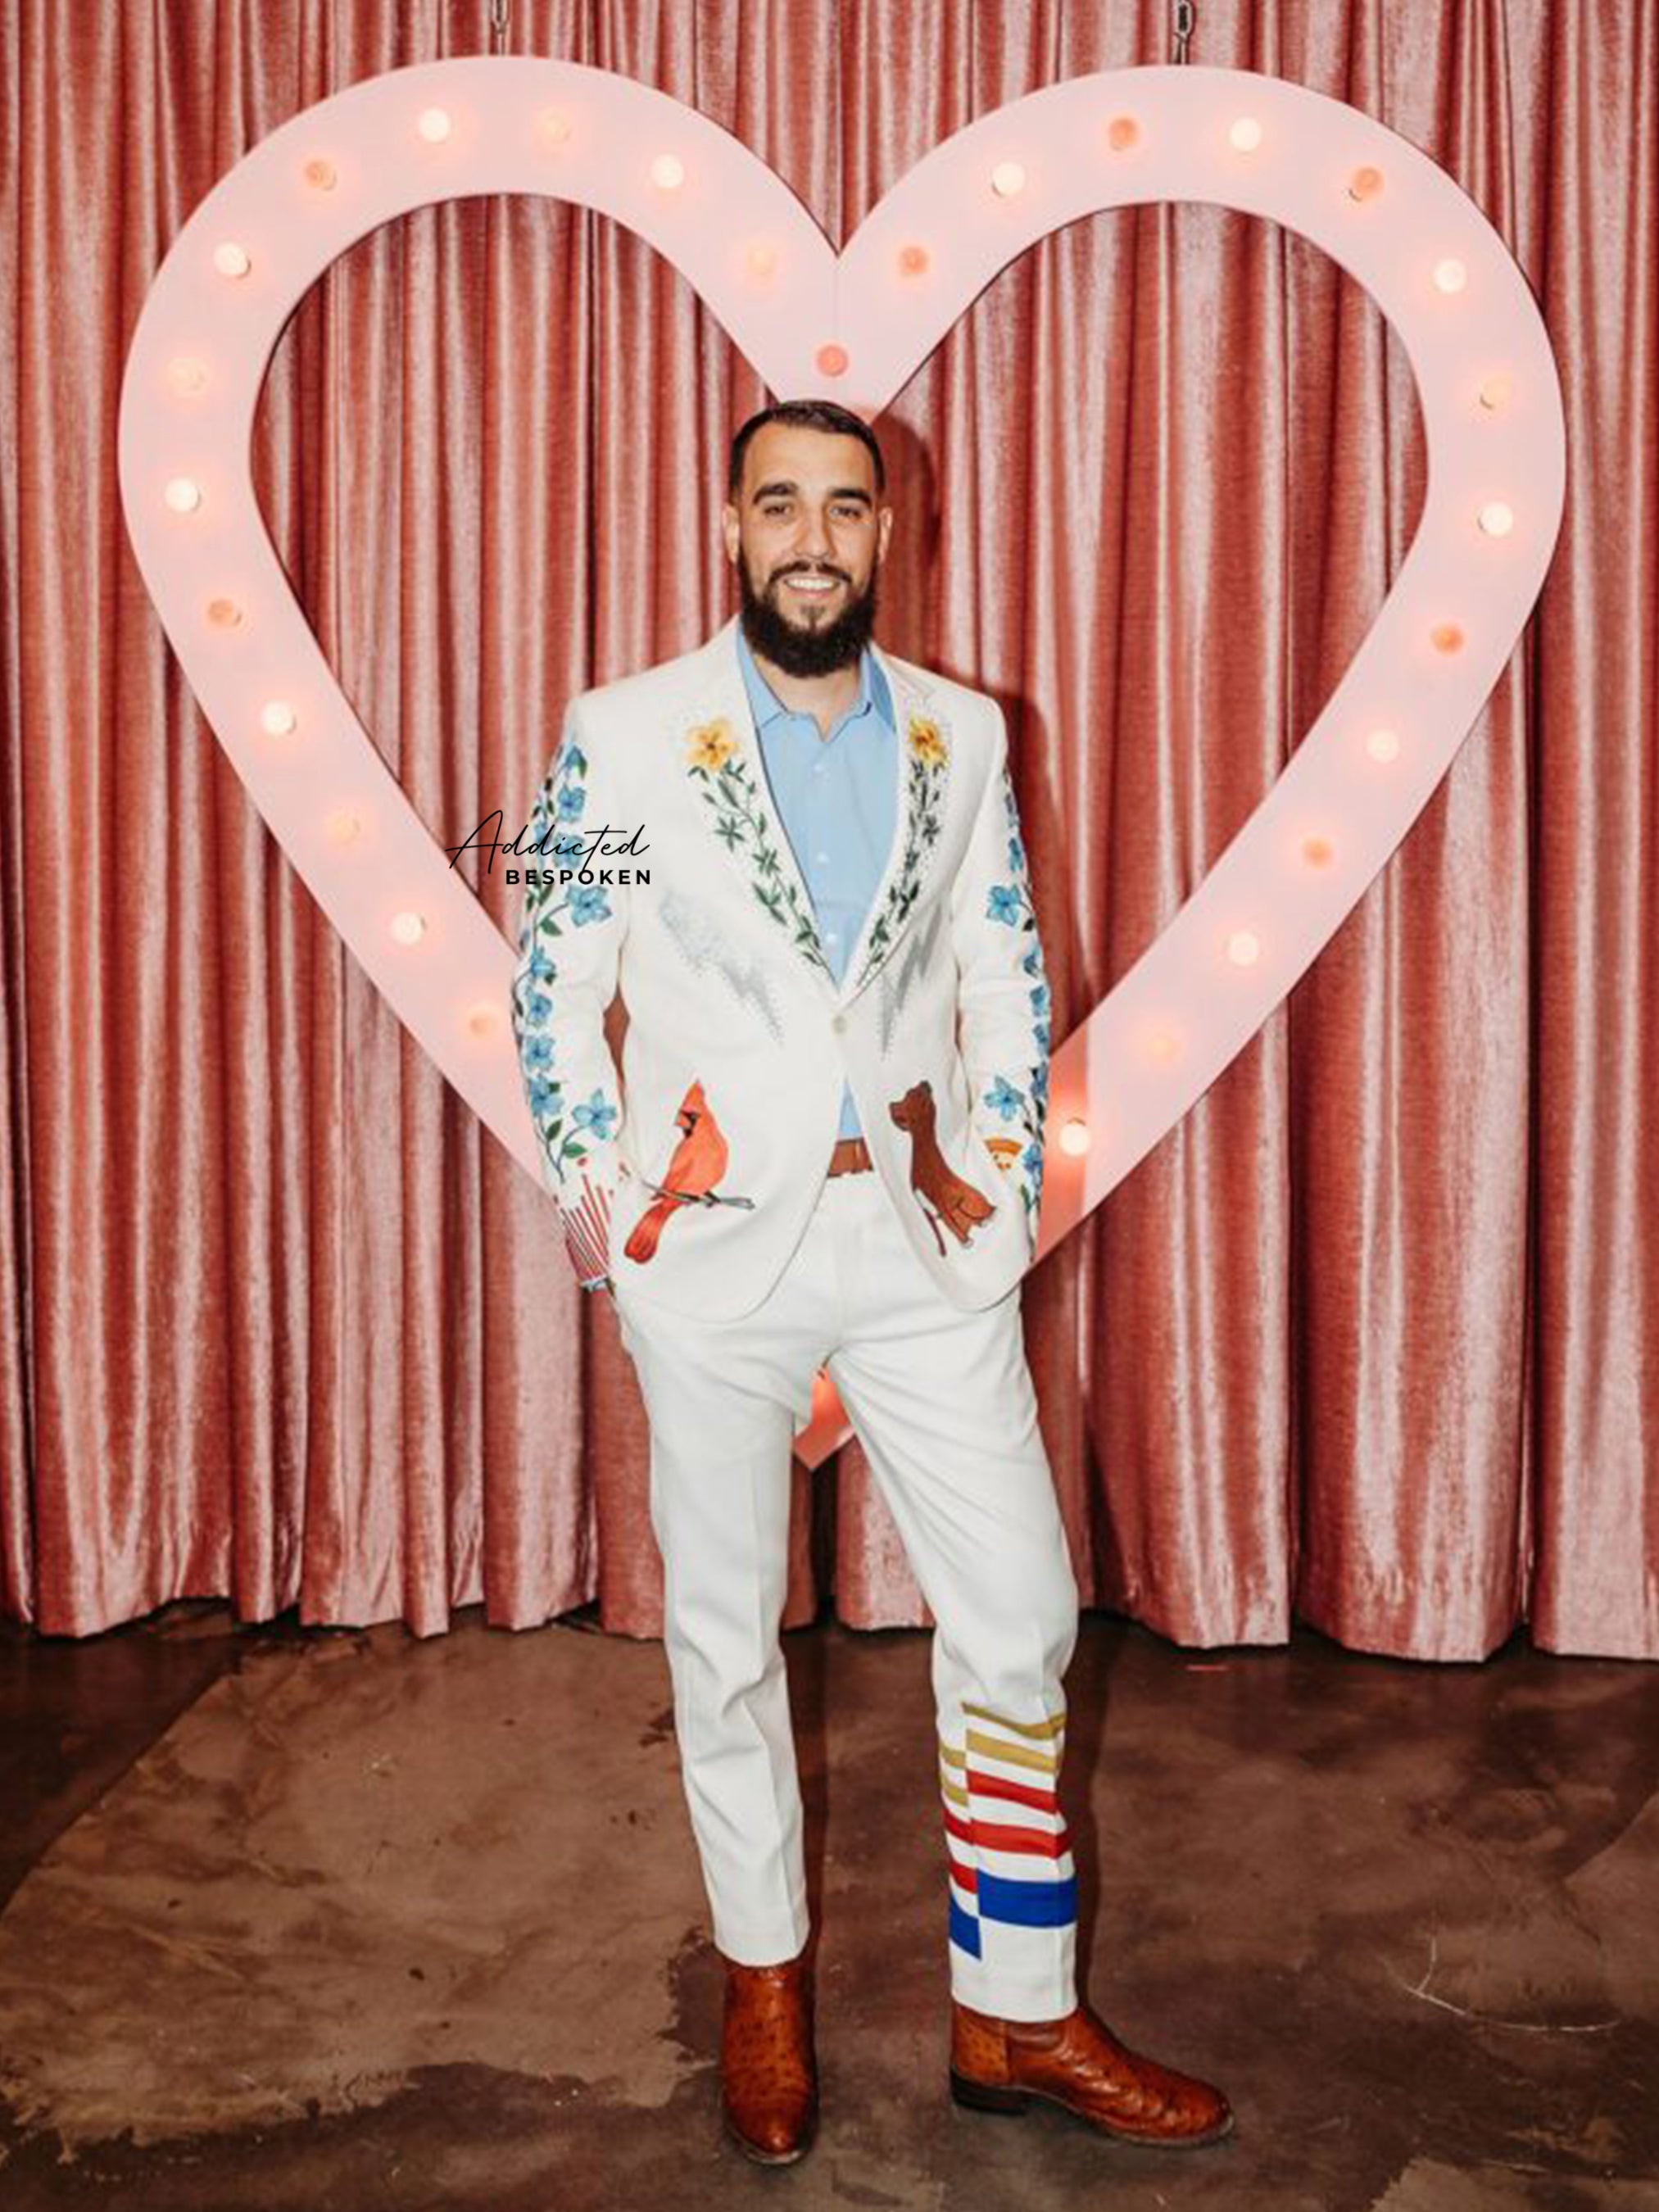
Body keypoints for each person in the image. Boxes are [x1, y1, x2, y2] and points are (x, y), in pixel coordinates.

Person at [510, 397, 1235, 2164]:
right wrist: (617, 1217)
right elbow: (547, 978)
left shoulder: (968, 737)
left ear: (887, 532)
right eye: (780, 506)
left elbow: (1005, 968)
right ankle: (762, 1983)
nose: (813, 539)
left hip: (918, 1251)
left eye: (846, 506)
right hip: (712, 1260)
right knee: (725, 1635)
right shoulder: (616, 735)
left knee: (1022, 1614)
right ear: (730, 524)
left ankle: (1015, 2009)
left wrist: (988, 1193)